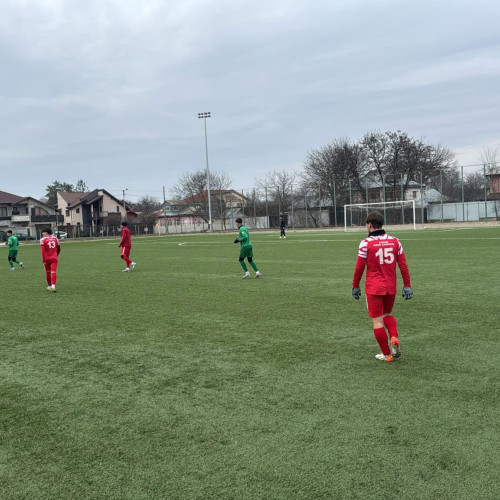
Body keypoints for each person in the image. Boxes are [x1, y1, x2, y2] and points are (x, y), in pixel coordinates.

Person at [351, 211, 413, 362]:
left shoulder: (366, 243)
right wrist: (407, 285)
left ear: (369, 225)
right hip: (390, 286)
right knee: (387, 315)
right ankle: (393, 337)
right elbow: (403, 265)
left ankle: (387, 354)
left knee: (377, 321)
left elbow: (359, 267)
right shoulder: (395, 241)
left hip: (374, 287)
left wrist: (355, 285)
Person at [40, 228, 61, 292]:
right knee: (53, 272)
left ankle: (49, 286)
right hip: (54, 258)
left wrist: (43, 260)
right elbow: (59, 249)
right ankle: (53, 286)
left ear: (46, 233)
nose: (42, 234)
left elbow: (42, 251)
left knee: (47, 272)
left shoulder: (42, 240)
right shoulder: (56, 238)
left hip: (46, 259)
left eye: (43, 232)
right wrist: (56, 255)